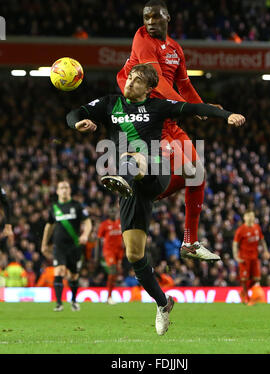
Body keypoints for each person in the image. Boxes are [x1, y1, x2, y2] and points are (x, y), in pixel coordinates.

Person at [66, 63, 245, 334]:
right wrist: (79, 122)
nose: (128, 83)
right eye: (129, 78)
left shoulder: (158, 106)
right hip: (132, 189)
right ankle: (163, 303)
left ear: (149, 88)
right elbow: (75, 112)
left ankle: (125, 177)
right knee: (134, 254)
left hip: (154, 169)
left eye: (136, 81)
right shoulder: (109, 104)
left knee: (133, 156)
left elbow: (195, 108)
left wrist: (227, 115)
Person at [117, 0, 223, 261]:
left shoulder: (175, 48)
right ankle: (139, 184)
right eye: (146, 17)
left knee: (197, 173)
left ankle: (190, 242)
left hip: (169, 120)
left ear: (168, 17)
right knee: (174, 165)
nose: (150, 22)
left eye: (155, 17)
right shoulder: (141, 40)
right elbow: (160, 85)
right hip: (149, 116)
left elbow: (184, 85)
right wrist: (192, 109)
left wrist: (202, 107)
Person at [41, 181, 92, 312]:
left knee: (74, 275)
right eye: (61, 188)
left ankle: (74, 301)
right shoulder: (54, 208)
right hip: (59, 246)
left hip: (74, 246)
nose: (64, 190)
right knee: (59, 271)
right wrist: (44, 244)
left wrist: (85, 235)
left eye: (66, 187)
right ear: (57, 191)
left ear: (69, 190)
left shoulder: (77, 206)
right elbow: (49, 226)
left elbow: (88, 223)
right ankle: (59, 304)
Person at [233, 210, 270, 305]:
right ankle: (248, 299)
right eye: (248, 216)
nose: (251, 218)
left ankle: (242, 293)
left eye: (252, 216)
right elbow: (235, 244)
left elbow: (262, 240)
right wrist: (236, 257)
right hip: (244, 258)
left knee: (256, 279)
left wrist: (266, 251)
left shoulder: (257, 228)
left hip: (254, 257)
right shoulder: (241, 230)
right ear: (245, 217)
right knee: (244, 279)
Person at [97, 207, 124, 305]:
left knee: (115, 274)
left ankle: (110, 296)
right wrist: (97, 254)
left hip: (119, 252)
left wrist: (121, 255)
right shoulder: (104, 225)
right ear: (109, 214)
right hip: (108, 251)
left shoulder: (120, 224)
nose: (113, 214)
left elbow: (122, 240)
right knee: (112, 271)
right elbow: (99, 239)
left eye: (114, 212)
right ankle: (109, 296)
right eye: (111, 212)